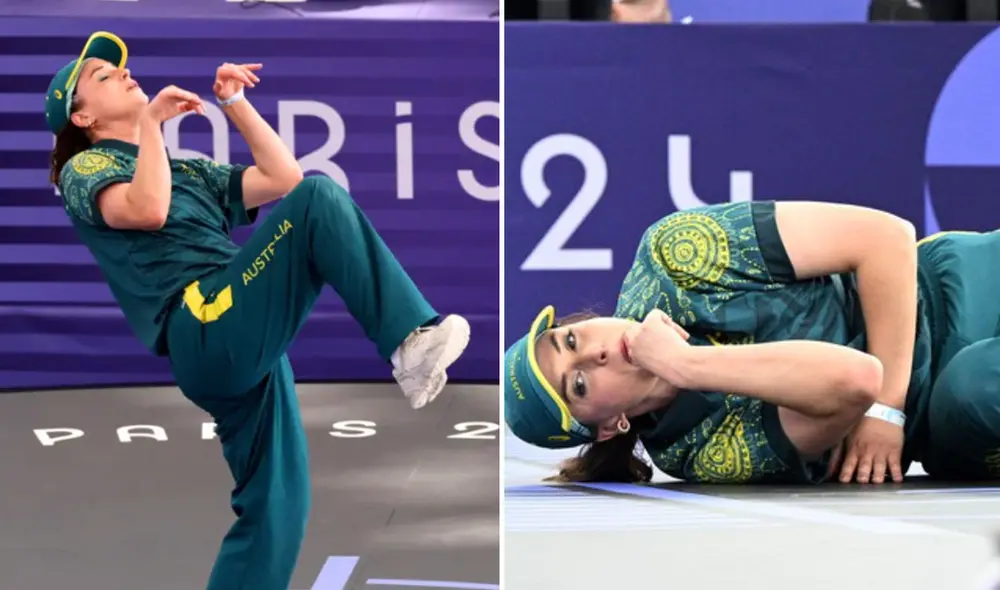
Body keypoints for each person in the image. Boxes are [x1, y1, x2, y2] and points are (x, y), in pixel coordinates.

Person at [47, 32, 470, 590]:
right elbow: (147, 210)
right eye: (102, 76)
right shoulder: (85, 168)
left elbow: (281, 180)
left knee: (278, 507)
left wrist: (233, 104)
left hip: (238, 335)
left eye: (120, 68)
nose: (123, 74)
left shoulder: (187, 171)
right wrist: (150, 124)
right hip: (203, 323)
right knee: (319, 202)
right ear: (81, 118)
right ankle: (410, 342)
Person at [505, 199, 1000, 486]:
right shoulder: (696, 452)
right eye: (581, 385)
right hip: (950, 415)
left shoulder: (673, 254)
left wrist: (886, 409)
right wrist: (685, 366)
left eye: (570, 339)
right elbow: (854, 380)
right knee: (974, 388)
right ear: (611, 428)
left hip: (951, 284)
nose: (596, 352)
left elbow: (885, 237)